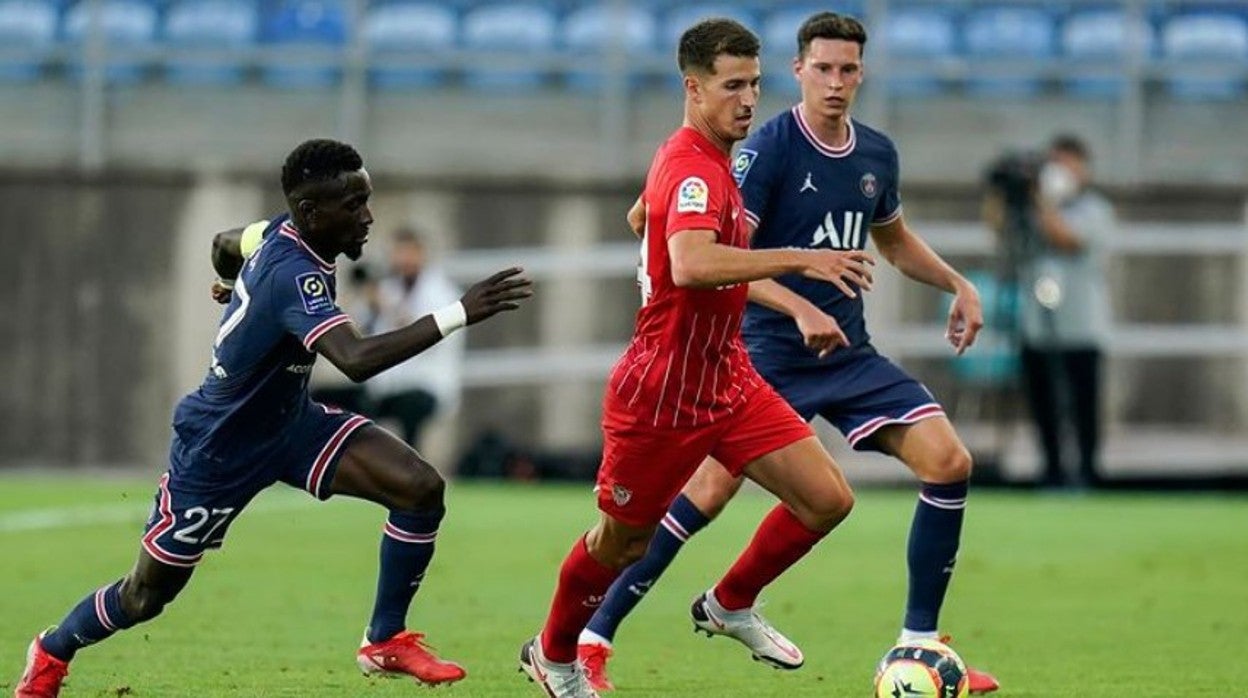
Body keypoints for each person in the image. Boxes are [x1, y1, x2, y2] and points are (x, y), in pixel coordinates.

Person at [575, 12, 1000, 694]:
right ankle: (595, 640)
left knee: (949, 461)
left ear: (863, 73)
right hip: (763, 349)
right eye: (823, 69)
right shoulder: (762, 151)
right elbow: (717, 252)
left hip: (846, 352)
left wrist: (957, 282)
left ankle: (914, 643)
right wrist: (797, 301)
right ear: (798, 72)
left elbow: (891, 241)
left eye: (849, 69)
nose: (836, 83)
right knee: (707, 490)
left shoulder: (875, 155)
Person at [15, 138, 532, 697]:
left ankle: (384, 639)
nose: (368, 217)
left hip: (290, 426)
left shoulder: (276, 231)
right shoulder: (296, 275)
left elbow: (221, 244)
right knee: (145, 597)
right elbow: (355, 361)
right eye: (354, 205)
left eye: (367, 200)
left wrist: (238, 287)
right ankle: (51, 651)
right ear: (313, 214)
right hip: (220, 448)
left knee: (420, 489)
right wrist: (460, 312)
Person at [519, 18, 877, 697]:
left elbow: (642, 219)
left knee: (826, 499)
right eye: (732, 86)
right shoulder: (692, 165)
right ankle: (554, 652)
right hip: (662, 392)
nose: (748, 100)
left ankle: (730, 603)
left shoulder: (705, 161)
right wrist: (803, 259)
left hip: (727, 377)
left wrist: (657, 224)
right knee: (619, 544)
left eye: (755, 85)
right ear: (694, 88)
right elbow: (689, 261)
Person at [1017, 134, 1113, 487]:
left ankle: (1088, 470)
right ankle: (1052, 469)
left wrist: (1042, 202)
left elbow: (1067, 239)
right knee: (1042, 403)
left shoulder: (1095, 210)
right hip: (1037, 325)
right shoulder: (1030, 209)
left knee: (1084, 404)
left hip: (1081, 325)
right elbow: (1002, 234)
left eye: (1067, 163)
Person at [357, 228, 465, 450]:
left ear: (421, 254)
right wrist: (370, 305)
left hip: (427, 383)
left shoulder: (441, 292)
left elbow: (428, 334)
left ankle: (412, 469)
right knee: (345, 403)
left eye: (408, 253)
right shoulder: (388, 288)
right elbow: (361, 333)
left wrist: (390, 309)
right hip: (387, 384)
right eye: (398, 253)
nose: (402, 260)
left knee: (411, 407)